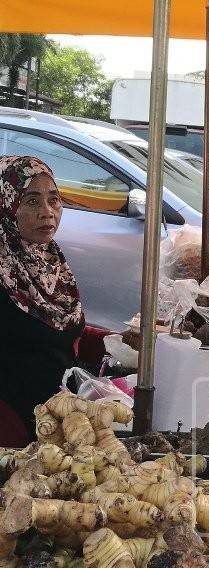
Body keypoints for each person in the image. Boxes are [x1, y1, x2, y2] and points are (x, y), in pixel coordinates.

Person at [0, 156, 86, 444]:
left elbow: (62, 331)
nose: (48, 213)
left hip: (68, 413)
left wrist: (116, 339)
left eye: (54, 200)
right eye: (32, 201)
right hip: (16, 428)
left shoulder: (50, 260)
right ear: (7, 205)